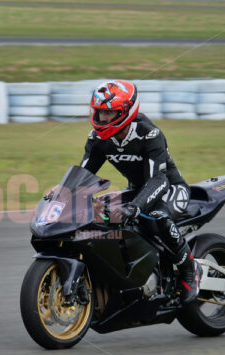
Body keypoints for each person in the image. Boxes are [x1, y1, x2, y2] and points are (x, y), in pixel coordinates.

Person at [79, 80, 202, 304]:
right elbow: (83, 176)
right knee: (100, 210)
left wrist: (135, 207)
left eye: (109, 113)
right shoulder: (98, 138)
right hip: (138, 190)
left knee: (158, 218)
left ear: (126, 112)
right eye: (99, 113)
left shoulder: (149, 134)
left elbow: (158, 179)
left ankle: (189, 270)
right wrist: (63, 194)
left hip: (170, 189)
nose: (102, 119)